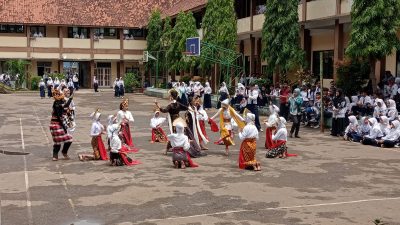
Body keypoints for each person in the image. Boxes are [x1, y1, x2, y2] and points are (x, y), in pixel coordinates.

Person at [49, 89, 73, 161]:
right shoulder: (56, 103)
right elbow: (65, 106)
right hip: (55, 125)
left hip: (60, 124)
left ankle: (59, 154)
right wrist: (71, 98)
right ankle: (60, 154)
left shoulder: (61, 102)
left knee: (62, 141)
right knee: (60, 141)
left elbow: (66, 108)